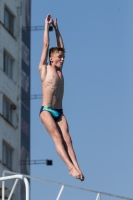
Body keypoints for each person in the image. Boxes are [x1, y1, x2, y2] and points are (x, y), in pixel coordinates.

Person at [39, 14, 84, 181]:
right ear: (52, 59)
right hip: (46, 111)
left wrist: (57, 29)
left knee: (68, 140)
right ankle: (70, 167)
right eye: (59, 57)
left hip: (59, 111)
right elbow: (46, 45)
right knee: (57, 137)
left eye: (63, 57)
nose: (62, 59)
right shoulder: (44, 68)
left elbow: (61, 46)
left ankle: (77, 168)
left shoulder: (60, 71)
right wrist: (47, 26)